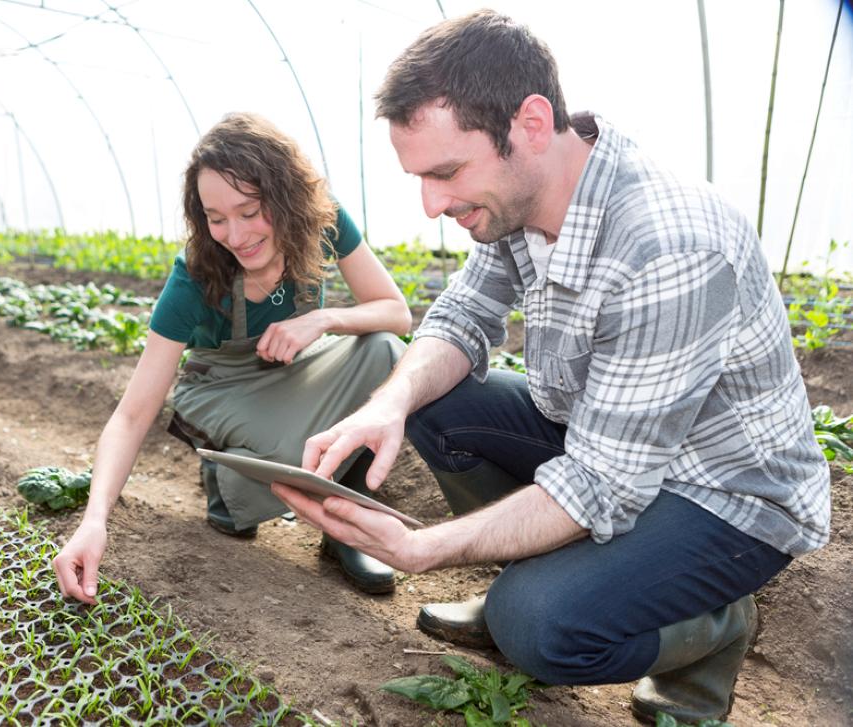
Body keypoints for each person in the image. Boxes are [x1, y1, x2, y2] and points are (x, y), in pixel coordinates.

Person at [271, 9, 830, 724]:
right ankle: (554, 572)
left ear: (531, 124)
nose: (433, 204)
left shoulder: (668, 247)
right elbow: (461, 316)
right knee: (432, 401)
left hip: (724, 494)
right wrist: (387, 404)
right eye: (420, 177)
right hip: (609, 445)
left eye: (446, 172)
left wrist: (420, 548)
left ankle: (712, 628)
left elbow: (601, 485)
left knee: (536, 624)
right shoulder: (523, 198)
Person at [53, 112, 411, 601]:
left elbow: (395, 313)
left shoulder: (323, 219)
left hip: (296, 367)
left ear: (286, 196)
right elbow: (132, 414)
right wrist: (94, 520)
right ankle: (229, 483)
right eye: (216, 218)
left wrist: (323, 320)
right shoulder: (194, 275)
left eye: (249, 211)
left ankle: (347, 527)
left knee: (388, 354)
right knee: (298, 450)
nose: (235, 236)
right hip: (222, 387)